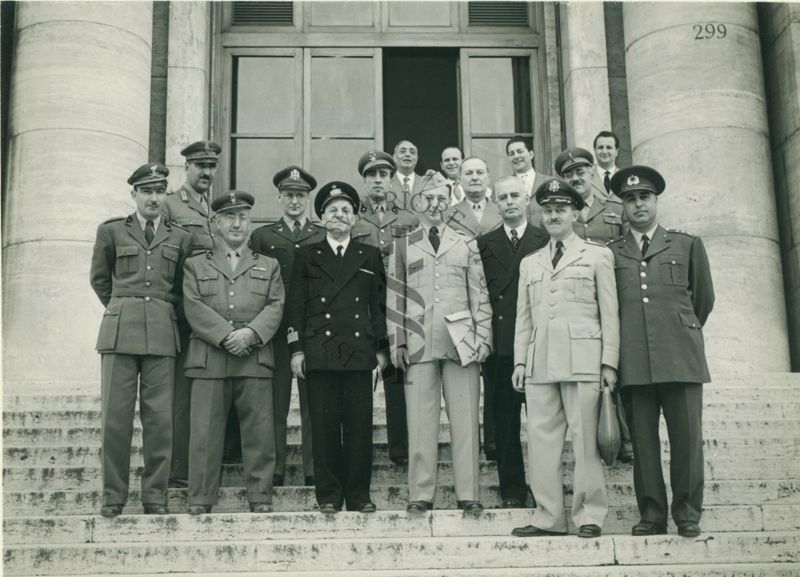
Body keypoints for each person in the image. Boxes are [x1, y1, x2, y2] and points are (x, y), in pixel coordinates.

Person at [608, 166, 714, 538]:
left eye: (645, 197)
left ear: (656, 201)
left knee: (687, 442)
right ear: (622, 206)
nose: (638, 204)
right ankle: (652, 514)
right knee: (644, 446)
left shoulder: (686, 244)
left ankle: (687, 513)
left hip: (680, 357)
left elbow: (702, 299)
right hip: (634, 360)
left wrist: (677, 332)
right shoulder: (612, 253)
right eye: (631, 199)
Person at [511, 178, 619, 539]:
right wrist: (519, 362)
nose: (554, 215)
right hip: (540, 361)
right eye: (548, 210)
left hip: (584, 359)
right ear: (541, 215)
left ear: (576, 212)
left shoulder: (597, 255)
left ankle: (590, 515)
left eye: (561, 209)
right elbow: (523, 317)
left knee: (586, 440)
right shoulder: (531, 262)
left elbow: (610, 314)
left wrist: (609, 363)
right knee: (541, 443)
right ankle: (549, 517)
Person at [90, 162, 193, 517]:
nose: (153, 197)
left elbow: (182, 288)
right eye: (146, 191)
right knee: (115, 420)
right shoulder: (112, 231)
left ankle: (155, 497)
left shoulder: (180, 237)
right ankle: (113, 497)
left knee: (160, 421)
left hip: (162, 334)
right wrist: (124, 308)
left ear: (165, 195)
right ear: (133, 194)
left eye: (159, 191)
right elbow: (100, 280)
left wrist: (158, 313)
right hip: (119, 334)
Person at [388, 171, 493, 516]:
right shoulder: (403, 243)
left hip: (461, 344)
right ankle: (420, 492)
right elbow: (395, 295)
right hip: (418, 342)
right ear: (418, 202)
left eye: (441, 199)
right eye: (428, 199)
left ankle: (469, 494)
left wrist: (483, 338)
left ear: (450, 203)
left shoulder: (465, 242)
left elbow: (479, 294)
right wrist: (397, 342)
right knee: (419, 421)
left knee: (465, 421)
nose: (435, 205)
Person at [287, 182, 388, 514]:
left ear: (355, 217)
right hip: (321, 351)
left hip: (358, 353)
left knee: (360, 428)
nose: (340, 215)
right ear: (322, 217)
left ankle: (359, 495)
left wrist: (380, 349)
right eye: (333, 210)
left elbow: (379, 305)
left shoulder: (369, 255)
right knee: (325, 427)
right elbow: (296, 306)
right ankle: (328, 495)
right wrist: (297, 349)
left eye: (346, 210)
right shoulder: (306, 255)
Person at [182, 191, 284, 515]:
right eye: (229, 217)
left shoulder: (268, 264)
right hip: (209, 357)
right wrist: (227, 335)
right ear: (217, 222)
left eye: (242, 217)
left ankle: (261, 496)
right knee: (204, 433)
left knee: (259, 432)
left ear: (250, 222)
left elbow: (276, 304)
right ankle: (200, 497)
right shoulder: (195, 264)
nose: (236, 223)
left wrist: (251, 334)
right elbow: (193, 305)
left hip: (253, 356)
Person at [250, 166, 323, 488]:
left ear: (308, 199)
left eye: (301, 195)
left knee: (314, 404)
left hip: (314, 331)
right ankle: (275, 467)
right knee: (274, 404)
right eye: (289, 195)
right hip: (275, 332)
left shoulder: (321, 234)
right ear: (279, 197)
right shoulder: (263, 236)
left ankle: (312, 468)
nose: (295, 201)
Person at [477, 176, 549, 508]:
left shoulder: (545, 239)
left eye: (515, 196)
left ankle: (544, 488)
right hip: (501, 345)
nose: (509, 201)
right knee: (504, 424)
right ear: (495, 202)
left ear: (527, 199)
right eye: (503, 197)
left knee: (542, 424)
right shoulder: (484, 243)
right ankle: (513, 491)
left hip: (539, 344)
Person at [351, 150, 418, 466]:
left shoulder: (407, 218)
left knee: (396, 374)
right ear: (364, 180)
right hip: (362, 305)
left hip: (397, 305)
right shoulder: (354, 219)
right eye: (372, 175)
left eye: (383, 175)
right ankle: (358, 451)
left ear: (391, 179)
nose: (377, 180)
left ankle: (400, 450)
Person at [162, 139, 222, 488]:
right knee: (180, 397)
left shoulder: (215, 213)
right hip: (183, 318)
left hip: (213, 320)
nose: (206, 172)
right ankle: (176, 469)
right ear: (187, 168)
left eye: (211, 166)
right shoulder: (171, 206)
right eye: (200, 166)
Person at [554, 147, 625, 246]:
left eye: (580, 173)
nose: (574, 179)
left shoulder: (617, 209)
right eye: (568, 175)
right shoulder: (555, 215)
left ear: (591, 175)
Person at [445, 156, 503, 239]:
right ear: (460, 180)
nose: (475, 178)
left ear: (488, 179)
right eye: (468, 173)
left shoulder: (503, 212)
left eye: (480, 172)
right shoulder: (447, 216)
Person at [506, 136, 548, 227]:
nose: (516, 156)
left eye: (520, 151)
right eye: (511, 154)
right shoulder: (504, 186)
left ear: (531, 154)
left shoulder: (548, 182)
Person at [390, 139, 423, 210]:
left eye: (412, 152)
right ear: (394, 157)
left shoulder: (426, 184)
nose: (408, 155)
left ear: (416, 158)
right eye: (402, 151)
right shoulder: (386, 183)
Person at [593, 130, 621, 198]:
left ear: (616, 151)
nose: (604, 151)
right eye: (600, 147)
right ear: (595, 151)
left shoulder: (623, 178)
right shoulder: (587, 177)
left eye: (609, 147)